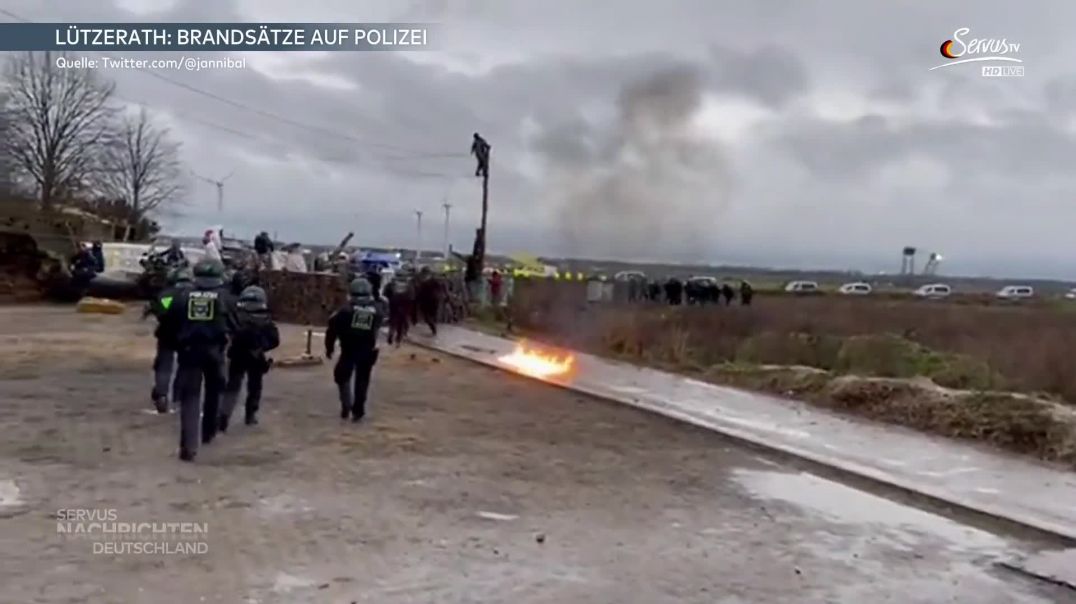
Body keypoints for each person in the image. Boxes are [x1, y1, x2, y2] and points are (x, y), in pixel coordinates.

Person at [162, 259, 237, 462]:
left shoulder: (181, 296)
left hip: (189, 351)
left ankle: (189, 445)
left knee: (190, 397)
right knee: (215, 391)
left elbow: (167, 323)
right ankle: (209, 431)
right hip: (215, 351)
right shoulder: (227, 298)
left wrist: (175, 344)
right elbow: (237, 325)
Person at [219, 286, 279, 431]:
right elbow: (275, 339)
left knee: (233, 387)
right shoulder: (265, 319)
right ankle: (250, 415)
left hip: (238, 354)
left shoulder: (237, 316)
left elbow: (227, 332)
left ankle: (224, 417)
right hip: (256, 356)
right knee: (255, 387)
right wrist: (260, 347)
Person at [325, 277, 385, 422]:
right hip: (367, 350)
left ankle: (346, 404)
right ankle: (358, 410)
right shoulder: (377, 310)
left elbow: (332, 329)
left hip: (349, 349)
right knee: (363, 380)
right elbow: (378, 326)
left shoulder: (345, 310)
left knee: (341, 376)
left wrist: (329, 348)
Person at [145, 266, 194, 413]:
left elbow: (161, 312)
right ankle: (178, 395)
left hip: (167, 334)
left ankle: (162, 395)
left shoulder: (167, 295)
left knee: (164, 366)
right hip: (188, 334)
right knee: (185, 365)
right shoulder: (195, 294)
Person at [384, 271, 415, 347]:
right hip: (404, 306)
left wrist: (390, 300)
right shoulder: (409, 285)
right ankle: (398, 341)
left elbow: (385, 294)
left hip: (393, 305)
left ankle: (391, 334)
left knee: (392, 321)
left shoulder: (391, 284)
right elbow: (412, 297)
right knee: (401, 324)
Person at [415, 267, 442, 336]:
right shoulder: (423, 282)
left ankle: (434, 328)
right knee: (428, 317)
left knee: (429, 317)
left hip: (431, 301)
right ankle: (433, 328)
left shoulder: (431, 281)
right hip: (426, 302)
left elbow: (439, 289)